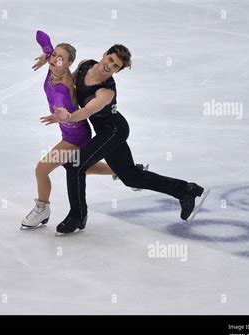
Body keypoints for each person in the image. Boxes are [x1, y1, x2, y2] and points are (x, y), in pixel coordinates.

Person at [41, 45, 208, 233]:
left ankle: (77, 216)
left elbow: (86, 112)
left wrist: (67, 117)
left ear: (117, 71)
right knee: (131, 177)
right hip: (106, 131)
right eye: (110, 59)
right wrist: (49, 60)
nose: (109, 66)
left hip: (113, 131)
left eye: (115, 66)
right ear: (104, 54)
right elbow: (68, 81)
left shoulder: (106, 92)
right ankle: (186, 190)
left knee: (75, 165)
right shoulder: (85, 65)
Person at [21, 31, 118, 228]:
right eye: (55, 55)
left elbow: (60, 102)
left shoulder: (62, 89)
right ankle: (121, 171)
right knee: (80, 166)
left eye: (61, 58)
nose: (56, 59)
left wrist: (62, 114)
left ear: (68, 64)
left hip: (75, 136)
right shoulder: (54, 63)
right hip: (70, 133)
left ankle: (42, 209)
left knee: (42, 169)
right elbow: (41, 36)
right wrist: (46, 54)